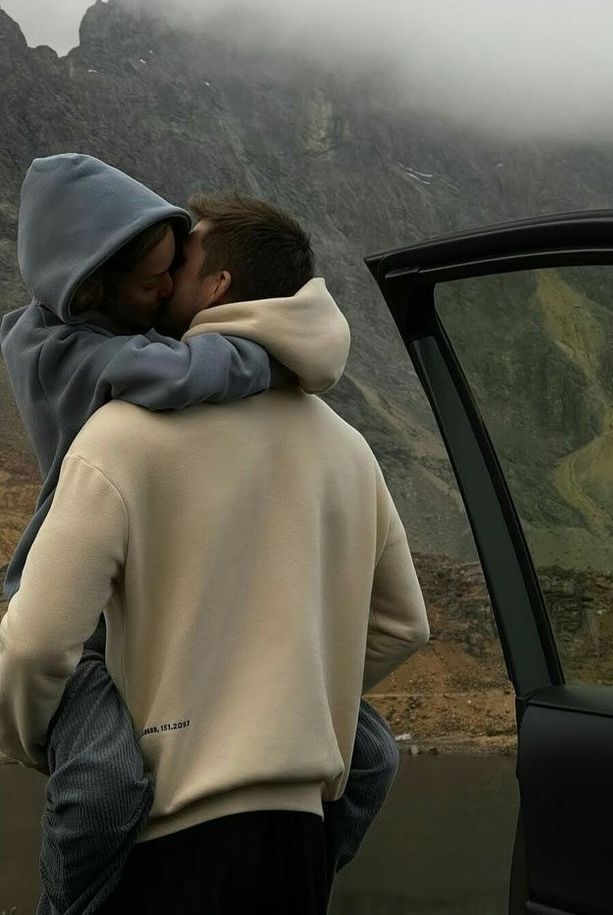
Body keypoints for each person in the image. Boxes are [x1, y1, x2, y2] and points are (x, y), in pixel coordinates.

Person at [0, 157, 428, 912]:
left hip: (167, 840)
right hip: (299, 845)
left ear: (219, 288)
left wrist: (55, 747)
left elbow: (34, 645)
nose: (163, 282)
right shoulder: (348, 448)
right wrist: (288, 695)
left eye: (182, 262)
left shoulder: (123, 434)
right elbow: (404, 623)